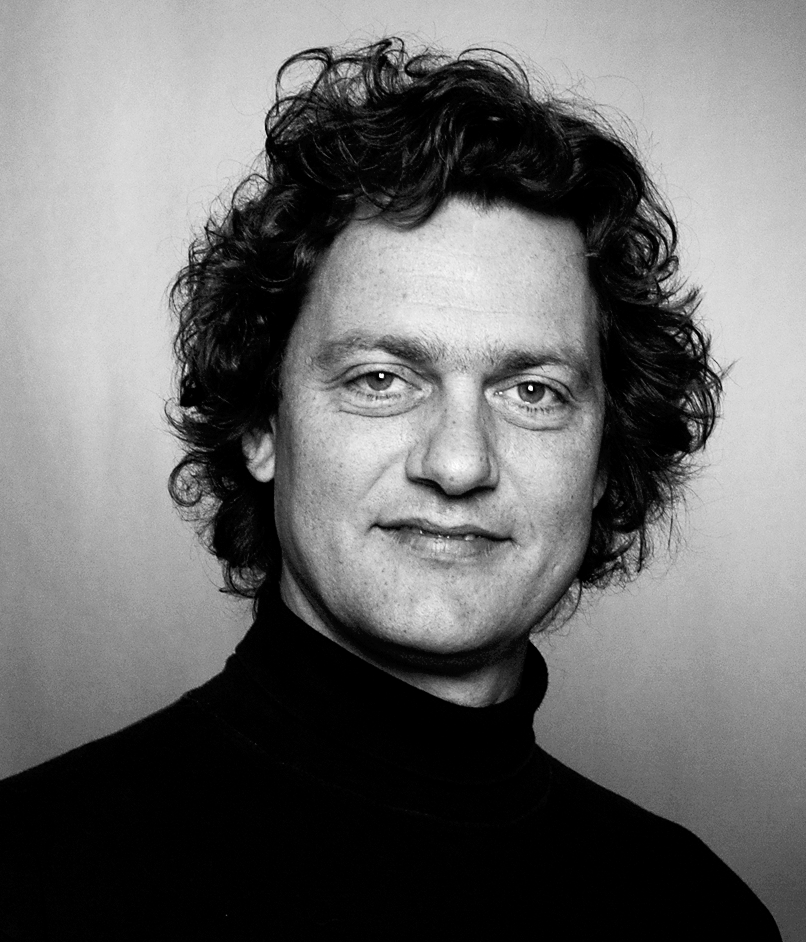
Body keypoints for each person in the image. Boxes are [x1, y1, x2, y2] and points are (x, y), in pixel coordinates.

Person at [0, 38, 781, 941]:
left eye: (532, 392)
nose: (458, 464)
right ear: (262, 424)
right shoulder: (29, 875)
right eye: (381, 379)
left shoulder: (700, 916)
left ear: (605, 456)